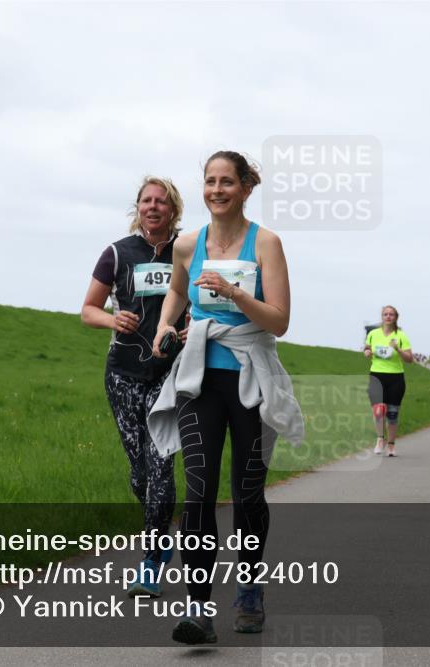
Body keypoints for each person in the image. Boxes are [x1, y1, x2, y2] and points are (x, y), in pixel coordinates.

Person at [148, 151, 303, 646]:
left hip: (251, 380)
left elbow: (279, 320)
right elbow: (176, 291)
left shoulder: (267, 243)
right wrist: (165, 325)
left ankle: (250, 588)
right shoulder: (187, 244)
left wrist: (235, 294)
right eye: (210, 182)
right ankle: (198, 607)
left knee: (247, 491)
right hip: (199, 380)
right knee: (198, 491)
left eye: (227, 182)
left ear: (245, 188)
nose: (217, 190)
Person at [81, 176, 186, 598]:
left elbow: (202, 301)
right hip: (122, 372)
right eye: (147, 201)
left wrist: (189, 327)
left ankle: (151, 560)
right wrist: (113, 319)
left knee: (160, 463)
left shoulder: (188, 250)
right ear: (138, 207)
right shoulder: (117, 253)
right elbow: (88, 309)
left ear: (173, 209)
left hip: (169, 373)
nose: (153, 207)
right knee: (140, 472)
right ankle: (159, 533)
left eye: (162, 202)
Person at [364, 305, 414, 456]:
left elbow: (410, 359)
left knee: (392, 414)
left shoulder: (401, 335)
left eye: (391, 314)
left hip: (395, 377)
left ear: (395, 317)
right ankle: (380, 439)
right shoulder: (373, 333)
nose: (388, 317)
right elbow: (366, 348)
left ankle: (391, 445)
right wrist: (367, 352)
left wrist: (398, 349)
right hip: (377, 375)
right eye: (385, 314)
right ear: (382, 316)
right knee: (378, 411)